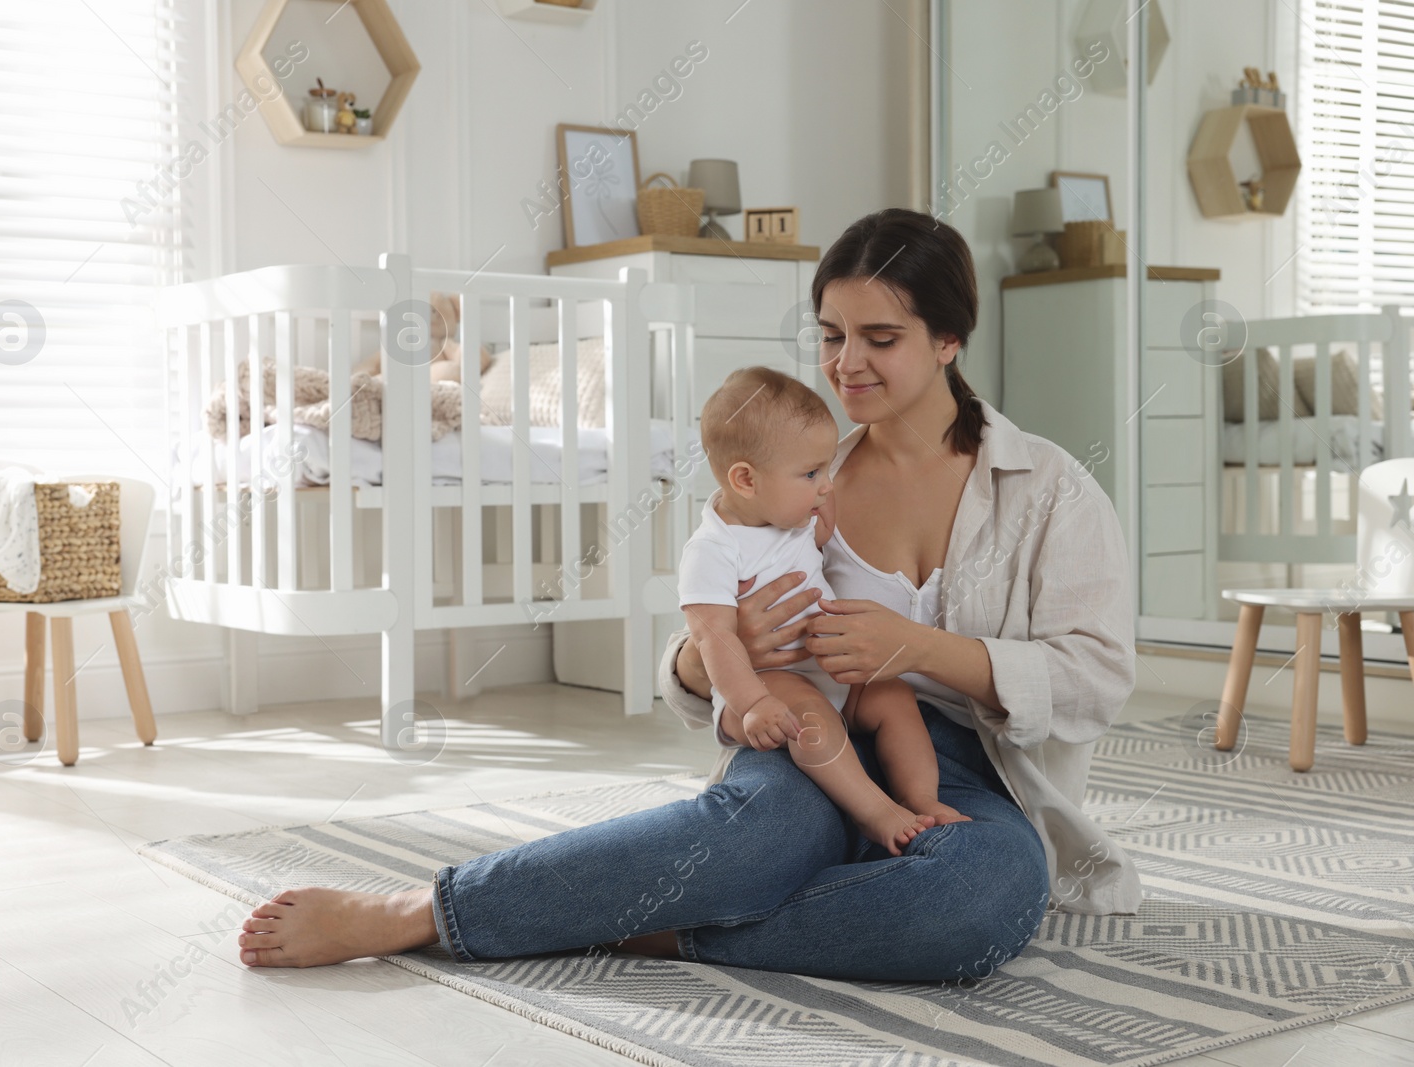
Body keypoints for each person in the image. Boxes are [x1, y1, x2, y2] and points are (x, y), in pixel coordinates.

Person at [234, 208, 1142, 981]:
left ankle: (661, 925)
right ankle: (422, 908)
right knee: (754, 837)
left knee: (980, 899)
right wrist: (724, 645)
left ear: (949, 340)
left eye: (881, 338)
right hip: (811, 737)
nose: (846, 363)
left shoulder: (1048, 489)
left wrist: (920, 648)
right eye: (831, 335)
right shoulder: (791, 469)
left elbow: (1098, 678)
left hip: (974, 774)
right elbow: (690, 668)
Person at [678, 364, 967, 856]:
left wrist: (817, 512)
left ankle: (921, 799)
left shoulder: (786, 516)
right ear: (746, 480)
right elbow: (714, 639)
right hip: (768, 684)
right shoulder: (713, 549)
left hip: (825, 669)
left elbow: (812, 546)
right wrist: (753, 704)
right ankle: (875, 812)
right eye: (812, 474)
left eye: (827, 469)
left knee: (894, 697)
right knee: (811, 717)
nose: (826, 485)